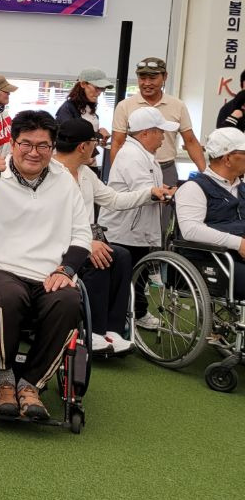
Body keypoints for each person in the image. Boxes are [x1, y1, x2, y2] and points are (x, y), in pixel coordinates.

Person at [0, 109, 91, 421]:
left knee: (69, 299)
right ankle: (4, 379)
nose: (34, 152)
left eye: (43, 145)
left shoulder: (65, 180)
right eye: (26, 144)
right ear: (13, 143)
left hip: (48, 272)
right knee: (7, 295)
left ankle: (31, 384)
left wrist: (66, 270)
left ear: (53, 147)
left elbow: (82, 235)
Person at [54, 117, 169, 354]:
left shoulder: (85, 173)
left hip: (83, 240)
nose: (97, 148)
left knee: (121, 255)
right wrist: (87, 243)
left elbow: (114, 199)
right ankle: (93, 331)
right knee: (100, 258)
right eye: (94, 142)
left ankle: (112, 329)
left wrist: (150, 193)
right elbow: (50, 221)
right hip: (59, 245)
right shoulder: (52, 173)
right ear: (83, 146)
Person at [97, 105, 179, 331]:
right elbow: (147, 191)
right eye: (160, 131)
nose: (163, 136)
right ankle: (124, 318)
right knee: (126, 278)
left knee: (136, 276)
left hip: (135, 228)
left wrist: (165, 191)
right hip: (124, 230)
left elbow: (150, 188)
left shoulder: (143, 154)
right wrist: (168, 193)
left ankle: (135, 313)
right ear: (145, 133)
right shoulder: (133, 155)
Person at [111, 56, 205, 192]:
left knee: (165, 203)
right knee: (134, 204)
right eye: (142, 78)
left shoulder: (177, 105)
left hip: (166, 168)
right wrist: (117, 173)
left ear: (165, 77)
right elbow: (117, 143)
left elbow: (190, 141)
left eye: (152, 78)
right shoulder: (124, 106)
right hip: (134, 168)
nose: (147, 83)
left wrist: (206, 174)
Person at [174, 126, 245, 293]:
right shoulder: (193, 188)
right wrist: (239, 243)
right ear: (227, 158)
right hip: (212, 260)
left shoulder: (240, 187)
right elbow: (191, 230)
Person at [56, 68, 113, 150]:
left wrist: (99, 136)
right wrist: (97, 134)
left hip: (88, 155)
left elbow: (86, 136)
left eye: (102, 88)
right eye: (97, 87)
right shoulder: (68, 108)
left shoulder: (90, 108)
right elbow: (66, 136)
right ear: (83, 84)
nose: (99, 92)